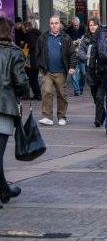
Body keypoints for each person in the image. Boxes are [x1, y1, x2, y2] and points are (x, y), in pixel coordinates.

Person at [0, 18, 29, 208]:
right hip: (4, 106)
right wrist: (23, 92)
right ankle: (4, 190)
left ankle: (4, 190)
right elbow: (21, 81)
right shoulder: (13, 52)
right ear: (9, 32)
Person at [36, 14, 75, 126]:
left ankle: (62, 116)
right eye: (52, 23)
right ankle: (47, 116)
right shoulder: (43, 37)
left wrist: (72, 66)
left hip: (61, 71)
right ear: (50, 24)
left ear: (60, 24)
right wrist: (41, 66)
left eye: (56, 23)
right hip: (47, 71)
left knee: (62, 94)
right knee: (47, 92)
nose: (54, 25)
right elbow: (37, 53)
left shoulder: (66, 38)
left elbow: (72, 53)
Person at [78, 18, 106, 128]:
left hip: (102, 72)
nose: (92, 27)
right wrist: (88, 58)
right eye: (90, 25)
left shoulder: (103, 37)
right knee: (95, 97)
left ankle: (98, 119)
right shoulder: (85, 39)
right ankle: (102, 113)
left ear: (98, 26)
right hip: (91, 72)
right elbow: (80, 52)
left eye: (94, 25)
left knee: (100, 97)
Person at [15, 19, 41, 100]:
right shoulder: (37, 34)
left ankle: (36, 95)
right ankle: (36, 94)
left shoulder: (29, 35)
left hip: (31, 60)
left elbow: (30, 47)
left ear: (26, 27)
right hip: (36, 60)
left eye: (23, 27)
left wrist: (24, 45)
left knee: (31, 78)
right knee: (34, 78)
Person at [65, 16, 85, 96]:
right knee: (74, 73)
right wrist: (72, 43)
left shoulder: (83, 29)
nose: (76, 26)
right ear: (72, 24)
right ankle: (77, 90)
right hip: (73, 54)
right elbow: (66, 41)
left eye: (77, 25)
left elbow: (87, 39)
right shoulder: (68, 30)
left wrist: (83, 41)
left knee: (83, 73)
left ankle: (80, 87)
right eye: (75, 25)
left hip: (81, 54)